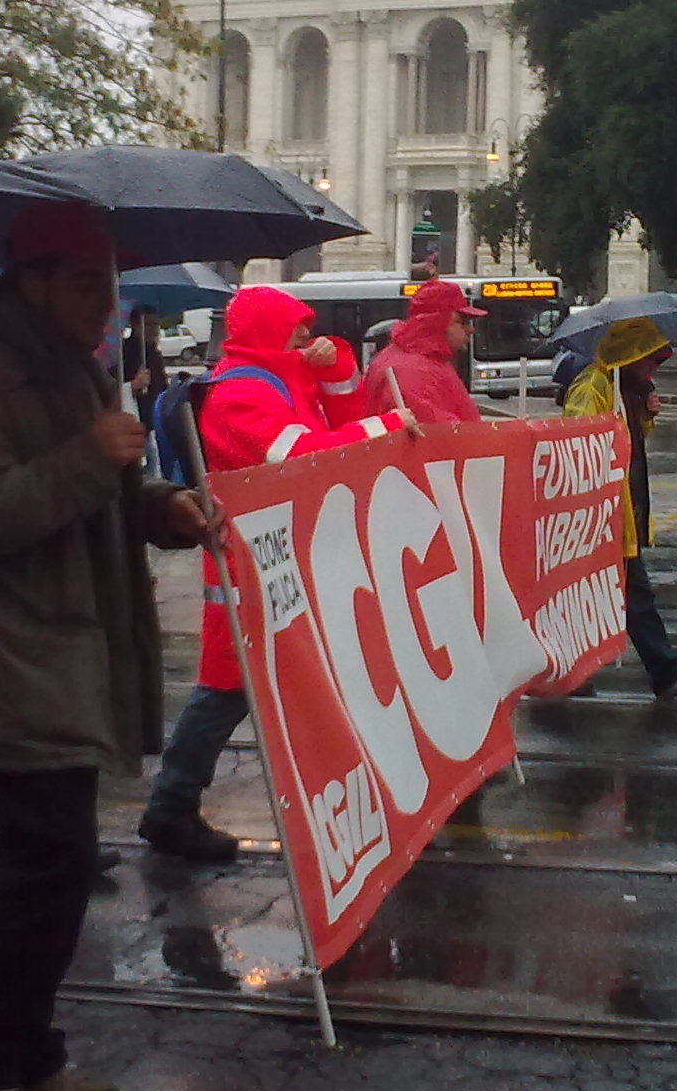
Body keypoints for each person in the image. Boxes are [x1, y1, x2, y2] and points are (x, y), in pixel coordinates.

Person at [0, 199, 213, 1091]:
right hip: (10, 659)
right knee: (49, 862)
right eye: (89, 286)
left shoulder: (72, 372)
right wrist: (88, 459)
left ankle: (26, 1053)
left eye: (111, 286)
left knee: (57, 862)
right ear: (33, 281)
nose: (106, 306)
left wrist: (160, 506)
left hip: (62, 651)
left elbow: (104, 486)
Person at [138, 283, 411, 862]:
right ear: (266, 331)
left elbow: (346, 408)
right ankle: (171, 808)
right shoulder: (241, 395)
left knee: (274, 690)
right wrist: (386, 430)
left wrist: (336, 358)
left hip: (282, 565)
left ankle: (178, 807)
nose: (304, 337)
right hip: (250, 575)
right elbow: (310, 456)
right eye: (297, 329)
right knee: (224, 695)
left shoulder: (280, 377)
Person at [561, 319, 677, 699]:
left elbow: (631, 445)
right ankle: (666, 673)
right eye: (651, 362)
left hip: (622, 514)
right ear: (632, 357)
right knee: (633, 596)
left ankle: (567, 675)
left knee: (604, 595)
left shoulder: (624, 390)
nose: (654, 370)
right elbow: (580, 444)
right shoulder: (593, 388)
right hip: (603, 516)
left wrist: (644, 416)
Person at [365, 277, 484, 424]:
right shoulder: (414, 370)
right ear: (436, 322)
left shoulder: (424, 361)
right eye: (462, 322)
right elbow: (439, 434)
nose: (470, 330)